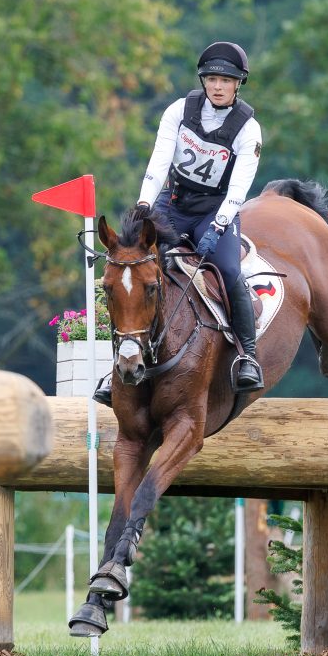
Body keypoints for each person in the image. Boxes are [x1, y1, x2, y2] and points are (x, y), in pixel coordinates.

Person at [94, 41, 264, 407]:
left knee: (229, 270)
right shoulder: (179, 111)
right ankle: (119, 365)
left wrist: (219, 226)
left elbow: (239, 188)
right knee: (137, 272)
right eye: (212, 79)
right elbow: (159, 162)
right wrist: (144, 204)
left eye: (226, 80)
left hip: (215, 211)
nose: (218, 86)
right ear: (203, 81)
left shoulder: (248, 129)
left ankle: (247, 356)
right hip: (172, 204)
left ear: (238, 84)